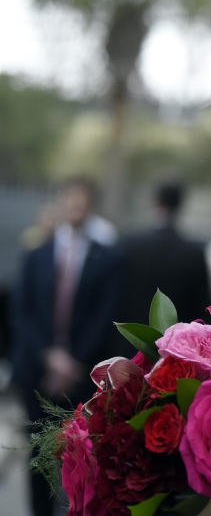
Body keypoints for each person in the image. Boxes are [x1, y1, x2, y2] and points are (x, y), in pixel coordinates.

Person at [11, 177, 122, 516]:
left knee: (82, 458)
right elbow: (21, 312)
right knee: (38, 457)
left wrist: (74, 360)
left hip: (82, 375)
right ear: (60, 204)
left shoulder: (108, 259)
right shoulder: (36, 255)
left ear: (91, 206)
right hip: (38, 372)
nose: (75, 206)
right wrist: (49, 355)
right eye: (69, 199)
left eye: (82, 200)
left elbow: (107, 315)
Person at [119, 181, 211, 329]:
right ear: (180, 205)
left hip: (131, 344)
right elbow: (202, 308)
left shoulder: (129, 244)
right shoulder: (194, 253)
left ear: (156, 202)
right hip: (177, 347)